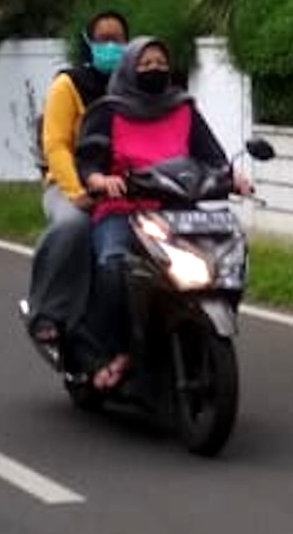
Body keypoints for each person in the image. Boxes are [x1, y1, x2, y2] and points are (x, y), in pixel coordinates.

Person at [75, 36, 252, 390]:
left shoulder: (183, 108)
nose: (154, 70)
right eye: (145, 64)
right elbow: (88, 161)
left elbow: (211, 157)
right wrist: (101, 179)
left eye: (160, 63)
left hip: (178, 212)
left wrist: (233, 179)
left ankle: (186, 329)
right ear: (128, 69)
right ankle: (111, 350)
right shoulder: (109, 111)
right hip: (124, 211)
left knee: (225, 254)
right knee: (112, 264)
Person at [24, 10, 130, 346]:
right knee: (74, 226)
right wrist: (78, 191)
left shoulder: (134, 87)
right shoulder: (68, 85)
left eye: (119, 39)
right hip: (70, 186)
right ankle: (47, 311)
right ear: (88, 44)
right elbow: (55, 146)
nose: (112, 46)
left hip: (126, 189)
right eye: (104, 39)